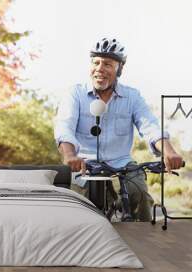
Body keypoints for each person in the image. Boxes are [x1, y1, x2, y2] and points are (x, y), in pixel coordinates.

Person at [54, 38, 183, 221]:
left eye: (107, 64)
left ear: (120, 68)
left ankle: (145, 246)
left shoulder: (132, 96)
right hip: (84, 165)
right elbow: (64, 126)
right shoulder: (75, 94)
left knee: (139, 196)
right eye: (96, 62)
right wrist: (69, 155)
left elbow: (150, 127)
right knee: (77, 211)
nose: (99, 68)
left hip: (122, 165)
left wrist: (169, 152)